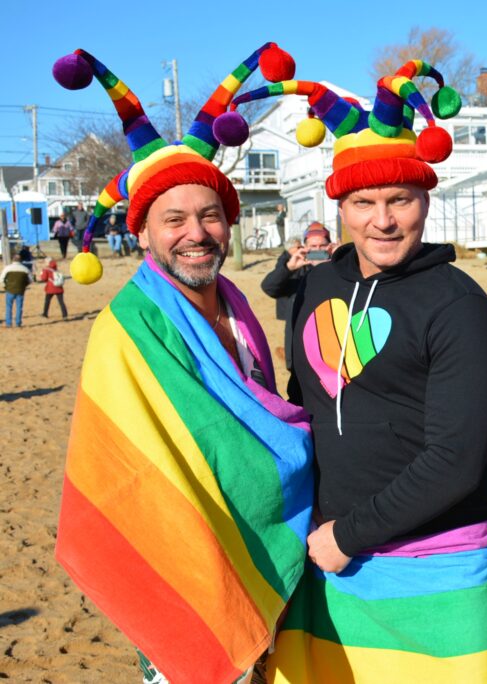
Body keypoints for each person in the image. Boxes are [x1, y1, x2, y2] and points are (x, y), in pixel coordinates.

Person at [230, 62, 487, 680]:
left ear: (425, 201)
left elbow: (455, 461)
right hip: (324, 563)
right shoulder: (316, 284)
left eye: (399, 200)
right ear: (341, 207)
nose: (382, 220)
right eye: (363, 202)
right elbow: (301, 405)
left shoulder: (459, 305)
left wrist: (348, 534)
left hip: (433, 566)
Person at [51, 43, 314, 684]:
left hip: (267, 544)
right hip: (183, 548)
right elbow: (133, 467)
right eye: (174, 219)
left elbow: (259, 416)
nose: (195, 233)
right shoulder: (129, 325)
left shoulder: (236, 303)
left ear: (229, 223)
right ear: (142, 232)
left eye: (210, 215)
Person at [260, 222, 331, 369]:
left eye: (322, 246)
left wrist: (336, 262)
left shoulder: (338, 267)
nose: (318, 250)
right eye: (313, 247)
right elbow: (269, 288)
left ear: (329, 246)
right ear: (305, 248)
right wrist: (289, 268)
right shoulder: (296, 269)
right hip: (300, 340)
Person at [2, 253, 31, 327]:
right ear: (20, 260)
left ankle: (8, 323)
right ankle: (18, 323)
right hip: (20, 290)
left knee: (9, 307)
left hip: (10, 290)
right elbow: (30, 280)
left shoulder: (8, 268)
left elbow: (1, 279)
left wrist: (5, 286)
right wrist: (24, 285)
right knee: (19, 307)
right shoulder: (25, 269)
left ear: (12, 259)